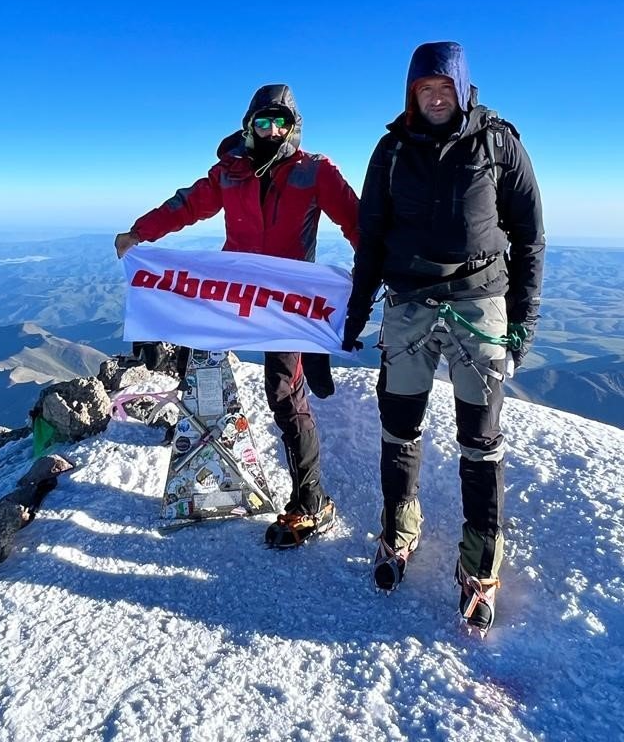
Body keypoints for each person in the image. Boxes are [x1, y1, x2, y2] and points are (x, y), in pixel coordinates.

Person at [343, 42, 544, 635]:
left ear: (462, 87)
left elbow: (530, 235)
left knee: (480, 438)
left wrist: (523, 319)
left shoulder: (498, 142)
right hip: (406, 304)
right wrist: (356, 313)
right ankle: (398, 533)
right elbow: (371, 234)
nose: (433, 97)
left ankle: (479, 566)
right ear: (411, 93)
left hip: (479, 305)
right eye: (422, 89)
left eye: (443, 87)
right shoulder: (391, 148)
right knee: (398, 426)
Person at [115, 84, 359, 548]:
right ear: (249, 125)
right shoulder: (230, 173)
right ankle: (193, 446)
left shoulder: (315, 171)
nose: (271, 131)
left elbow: (355, 221)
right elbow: (186, 204)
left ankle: (312, 503)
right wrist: (138, 233)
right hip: (234, 292)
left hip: (288, 303)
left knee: (284, 394)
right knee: (195, 355)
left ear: (294, 127)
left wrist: (364, 283)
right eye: (262, 122)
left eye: (280, 123)